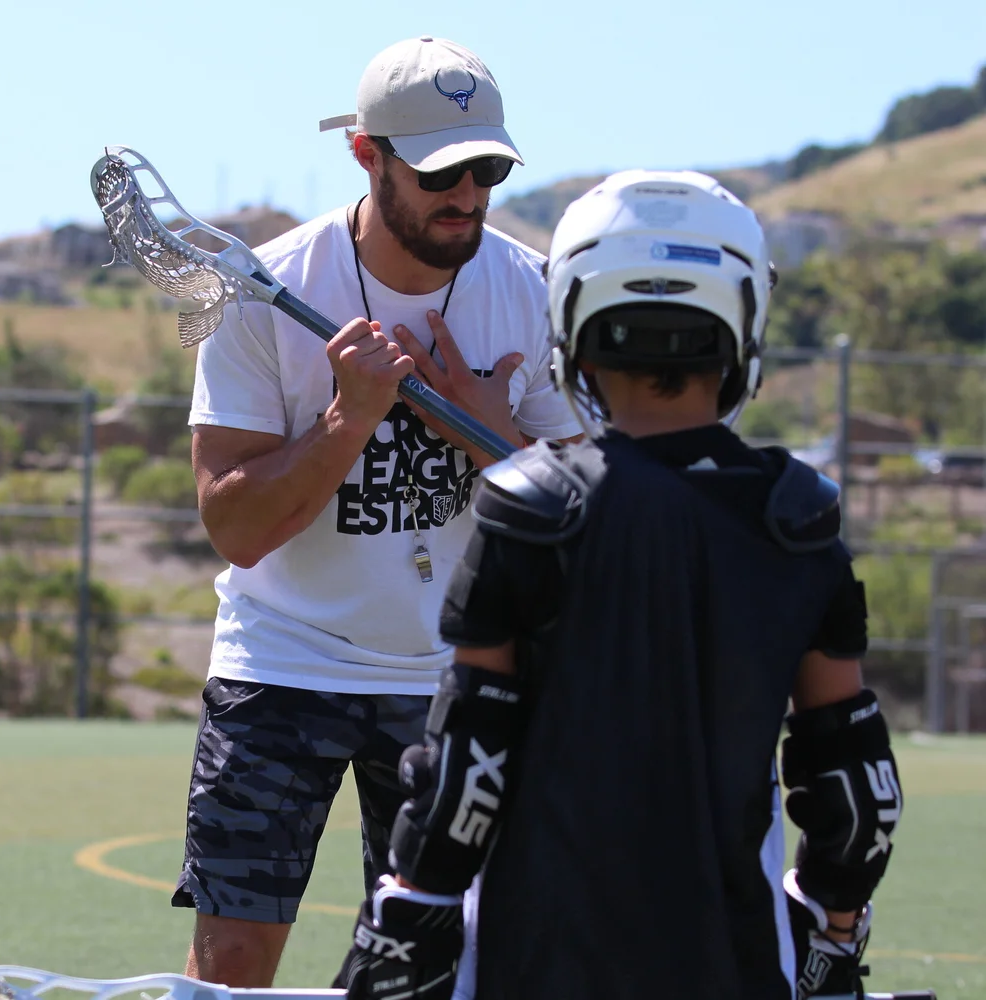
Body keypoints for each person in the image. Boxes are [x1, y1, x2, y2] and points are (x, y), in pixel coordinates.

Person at [332, 170, 904, 1000]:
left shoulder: (530, 508)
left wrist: (412, 909)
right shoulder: (797, 519)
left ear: (573, 318)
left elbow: (467, 763)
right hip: (734, 964)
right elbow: (854, 795)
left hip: (535, 960)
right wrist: (832, 929)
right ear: (742, 319)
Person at [177, 36, 581, 988]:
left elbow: (588, 519)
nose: (469, 196)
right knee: (231, 962)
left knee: (441, 963)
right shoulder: (264, 291)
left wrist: (488, 430)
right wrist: (345, 420)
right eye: (443, 172)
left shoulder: (531, 293)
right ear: (368, 156)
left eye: (487, 169)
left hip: (457, 675)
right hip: (283, 659)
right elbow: (232, 527)